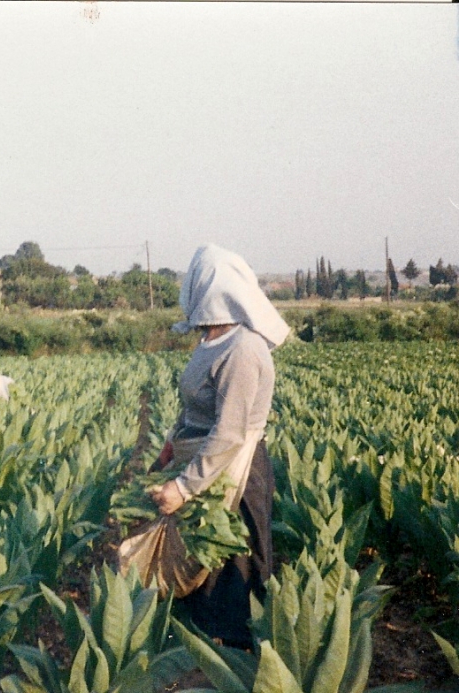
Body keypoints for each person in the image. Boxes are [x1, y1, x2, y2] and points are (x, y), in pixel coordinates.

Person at [148, 243, 290, 650]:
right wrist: (170, 446)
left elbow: (229, 432)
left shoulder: (243, 348)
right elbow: (194, 405)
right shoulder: (212, 341)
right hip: (203, 463)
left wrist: (182, 488)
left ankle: (241, 660)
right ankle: (208, 649)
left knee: (235, 562)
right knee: (205, 558)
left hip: (237, 471)